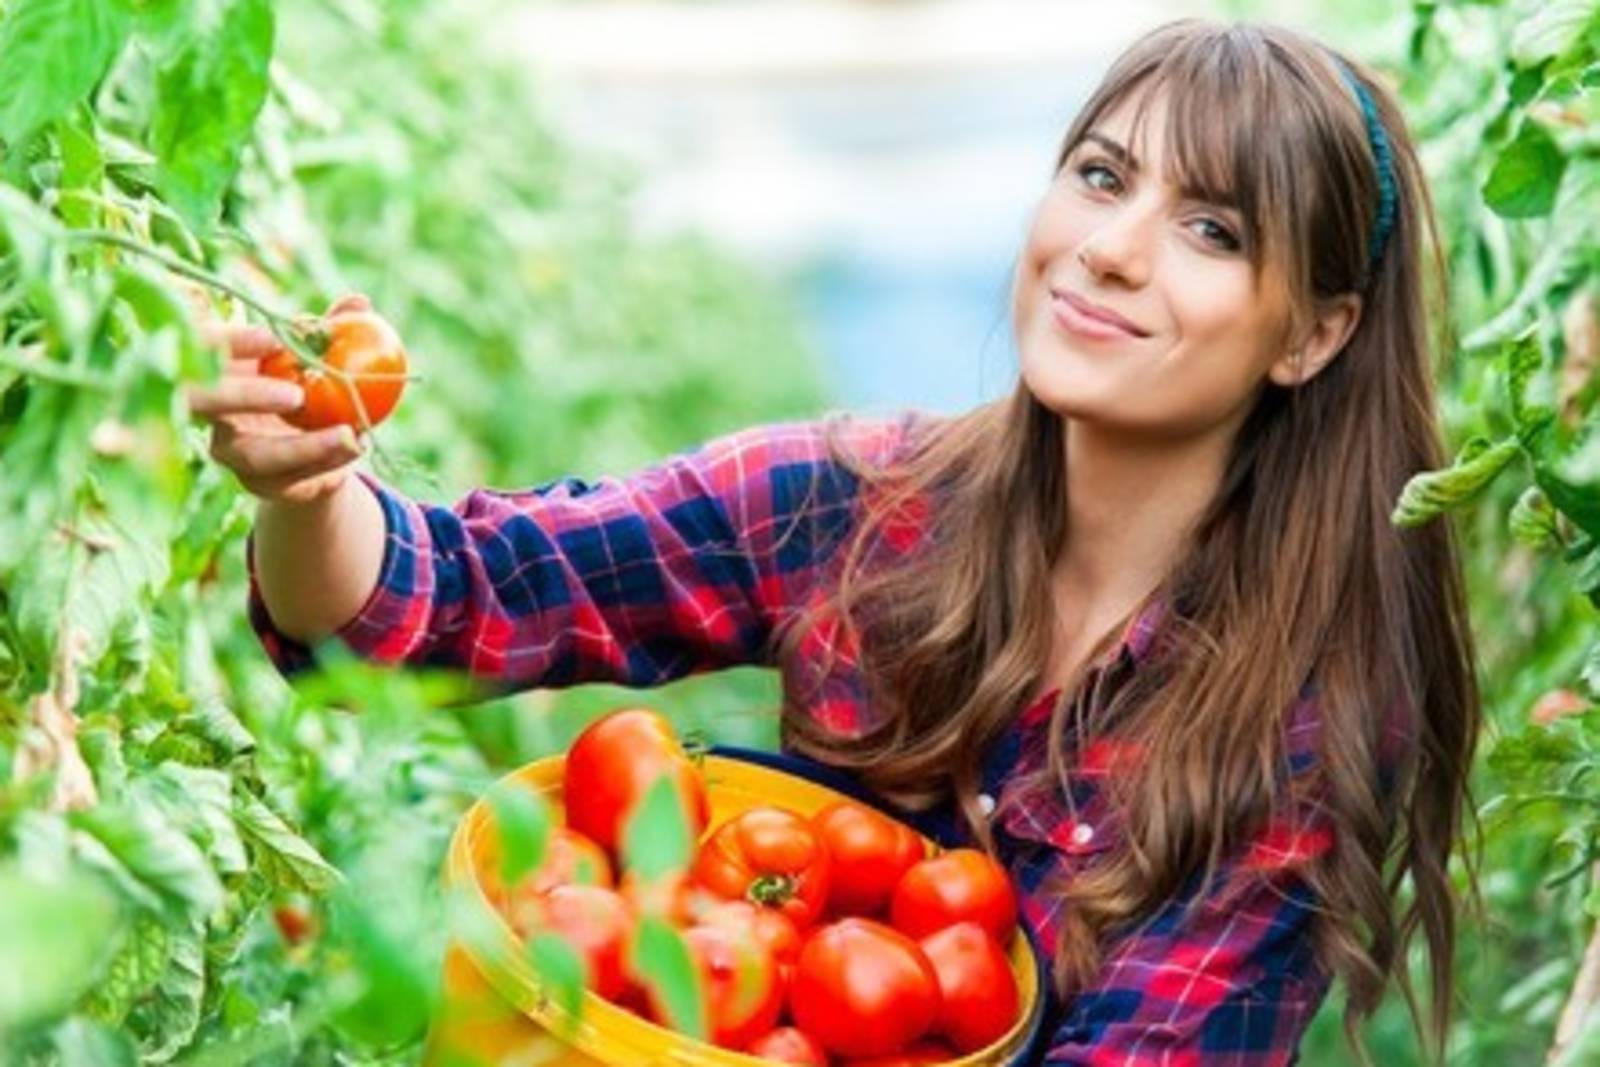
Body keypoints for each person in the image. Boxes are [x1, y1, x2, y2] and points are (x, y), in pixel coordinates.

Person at [189, 17, 1480, 1065]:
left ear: (1313, 334)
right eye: (1102, 176)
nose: (1111, 251)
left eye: (1212, 231)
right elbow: (437, 607)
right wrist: (312, 487)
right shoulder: (856, 502)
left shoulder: (1298, 715)